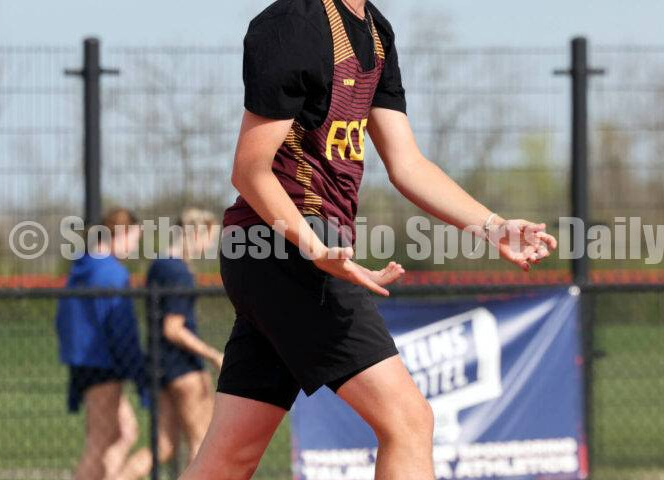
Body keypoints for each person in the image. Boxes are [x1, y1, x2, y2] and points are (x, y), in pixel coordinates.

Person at [181, 1, 558, 479]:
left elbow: (407, 164)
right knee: (408, 421)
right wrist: (313, 247)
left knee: (230, 457)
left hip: (293, 255)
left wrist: (493, 225)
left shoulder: (375, 31)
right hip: (285, 248)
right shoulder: (293, 25)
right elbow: (249, 170)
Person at [115, 208, 223, 480]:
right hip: (184, 369)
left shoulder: (159, 266)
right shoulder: (179, 273)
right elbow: (173, 329)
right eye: (208, 238)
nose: (208, 246)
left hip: (159, 365)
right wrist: (212, 355)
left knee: (164, 445)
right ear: (195, 234)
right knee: (202, 443)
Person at [55, 208, 146, 480]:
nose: (135, 246)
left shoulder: (81, 268)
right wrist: (138, 371)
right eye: (135, 238)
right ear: (121, 234)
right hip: (102, 365)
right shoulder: (111, 273)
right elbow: (122, 329)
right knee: (99, 442)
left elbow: (61, 321)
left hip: (85, 362)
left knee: (125, 432)